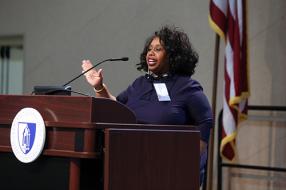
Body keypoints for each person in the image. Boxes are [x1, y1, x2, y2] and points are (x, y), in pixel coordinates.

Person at [82, 25, 213, 184]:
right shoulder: (140, 84)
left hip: (170, 169)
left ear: (172, 55)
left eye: (158, 49)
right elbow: (117, 108)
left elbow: (205, 121)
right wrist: (99, 87)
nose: (151, 53)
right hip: (133, 163)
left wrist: (191, 157)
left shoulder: (187, 87)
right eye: (150, 49)